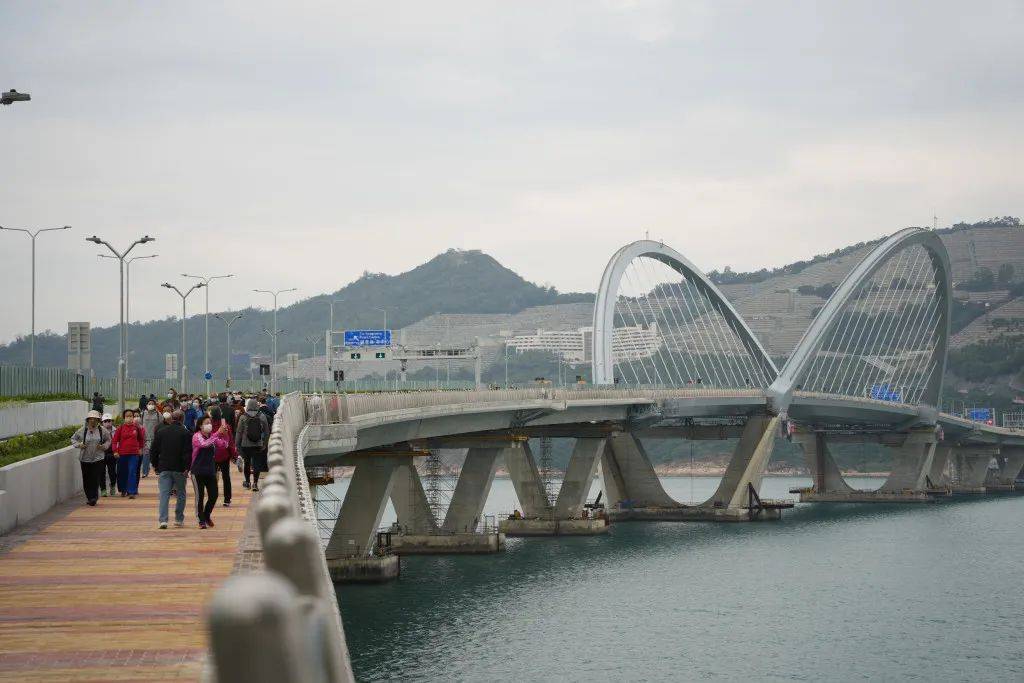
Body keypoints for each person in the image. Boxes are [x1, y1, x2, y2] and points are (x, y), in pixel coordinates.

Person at [150, 410, 192, 529]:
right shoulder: (185, 433)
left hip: (164, 467)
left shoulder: (161, 432)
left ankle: (163, 520)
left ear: (171, 419)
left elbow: (154, 450)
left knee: (164, 494)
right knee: (181, 493)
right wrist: (187, 468)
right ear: (182, 419)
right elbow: (188, 453)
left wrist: (155, 465)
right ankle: (178, 519)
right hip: (180, 468)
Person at [190, 416, 226, 529]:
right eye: (206, 423)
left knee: (214, 495)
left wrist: (224, 434)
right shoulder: (196, 436)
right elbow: (204, 444)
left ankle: (206, 514)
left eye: (210, 422)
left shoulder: (212, 436)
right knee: (199, 496)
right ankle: (200, 519)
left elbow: (224, 445)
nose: (209, 425)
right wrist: (217, 434)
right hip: (198, 471)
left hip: (210, 470)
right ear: (200, 425)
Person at [71, 410, 111, 506]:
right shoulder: (82, 430)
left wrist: (103, 447)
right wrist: (79, 445)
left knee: (95, 478)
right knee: (86, 479)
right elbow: (73, 439)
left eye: (95, 419)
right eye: (91, 419)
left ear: (98, 420)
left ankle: (94, 497)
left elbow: (108, 440)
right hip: (85, 458)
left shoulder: (102, 430)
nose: (92, 421)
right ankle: (89, 497)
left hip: (98, 458)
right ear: (88, 420)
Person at [235, 398, 269, 490]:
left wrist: (237, 446)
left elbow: (238, 433)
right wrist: (265, 444)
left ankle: (247, 482)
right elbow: (266, 432)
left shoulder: (243, 417)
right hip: (258, 444)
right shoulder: (262, 416)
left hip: (245, 445)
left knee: (247, 463)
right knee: (256, 463)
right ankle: (255, 483)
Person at [111, 408, 145, 499]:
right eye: (127, 416)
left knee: (132, 472)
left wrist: (140, 448)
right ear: (124, 417)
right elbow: (114, 441)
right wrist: (115, 451)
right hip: (122, 454)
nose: (129, 418)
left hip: (134, 454)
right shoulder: (120, 428)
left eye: (131, 416)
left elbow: (141, 439)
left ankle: (132, 491)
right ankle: (123, 490)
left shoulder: (136, 428)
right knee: (122, 472)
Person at [209, 407, 238, 506]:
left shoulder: (208, 426)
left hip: (212, 455)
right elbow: (230, 442)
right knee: (226, 478)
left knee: (212, 478)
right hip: (224, 455)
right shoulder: (225, 426)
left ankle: (212, 497)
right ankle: (227, 499)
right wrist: (234, 455)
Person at [140, 400, 161, 479]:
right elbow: (141, 425)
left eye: (152, 404)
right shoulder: (143, 414)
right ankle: (145, 472)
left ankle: (157, 469)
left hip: (155, 438)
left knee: (156, 455)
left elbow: (161, 425)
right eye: (149, 404)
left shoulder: (158, 415)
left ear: (155, 405)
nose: (151, 405)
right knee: (146, 455)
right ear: (146, 405)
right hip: (145, 438)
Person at [99, 413, 118, 497]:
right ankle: (103, 489)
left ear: (112, 421)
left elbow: (118, 442)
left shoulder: (116, 430)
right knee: (101, 472)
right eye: (105, 421)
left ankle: (113, 486)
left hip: (112, 454)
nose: (107, 423)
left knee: (112, 472)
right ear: (102, 422)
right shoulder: (98, 431)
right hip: (101, 454)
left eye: (109, 421)